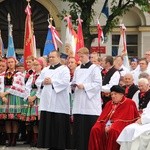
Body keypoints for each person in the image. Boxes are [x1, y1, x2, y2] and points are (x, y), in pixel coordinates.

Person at [37, 50, 70, 149]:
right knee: (48, 125)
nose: (51, 59)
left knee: (58, 125)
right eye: (50, 57)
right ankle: (49, 145)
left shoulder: (64, 69)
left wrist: (52, 81)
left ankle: (59, 146)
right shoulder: (45, 69)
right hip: (47, 102)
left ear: (59, 58)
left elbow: (65, 82)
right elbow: (38, 81)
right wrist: (43, 82)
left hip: (59, 102)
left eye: (53, 57)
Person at [88, 85, 139, 150]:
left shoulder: (129, 103)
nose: (113, 96)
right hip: (107, 123)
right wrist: (106, 125)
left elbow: (129, 118)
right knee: (95, 129)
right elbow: (103, 117)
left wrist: (110, 126)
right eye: (111, 94)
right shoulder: (109, 103)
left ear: (121, 94)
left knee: (113, 130)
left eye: (115, 94)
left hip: (121, 125)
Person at [72, 47, 102, 150]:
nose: (80, 58)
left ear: (87, 55)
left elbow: (98, 84)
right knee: (79, 128)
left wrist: (84, 86)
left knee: (89, 128)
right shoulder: (78, 68)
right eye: (79, 56)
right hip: (79, 101)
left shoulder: (95, 68)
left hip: (90, 103)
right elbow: (74, 81)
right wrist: (73, 85)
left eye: (82, 56)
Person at [0, 57, 26, 146]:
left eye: (12, 62)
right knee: (7, 119)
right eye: (8, 62)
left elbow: (16, 85)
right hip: (5, 97)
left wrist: (5, 93)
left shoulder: (19, 74)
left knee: (14, 119)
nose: (10, 64)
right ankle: (9, 139)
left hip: (14, 96)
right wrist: (1, 95)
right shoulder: (3, 74)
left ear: (15, 63)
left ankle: (14, 139)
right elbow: (1, 85)